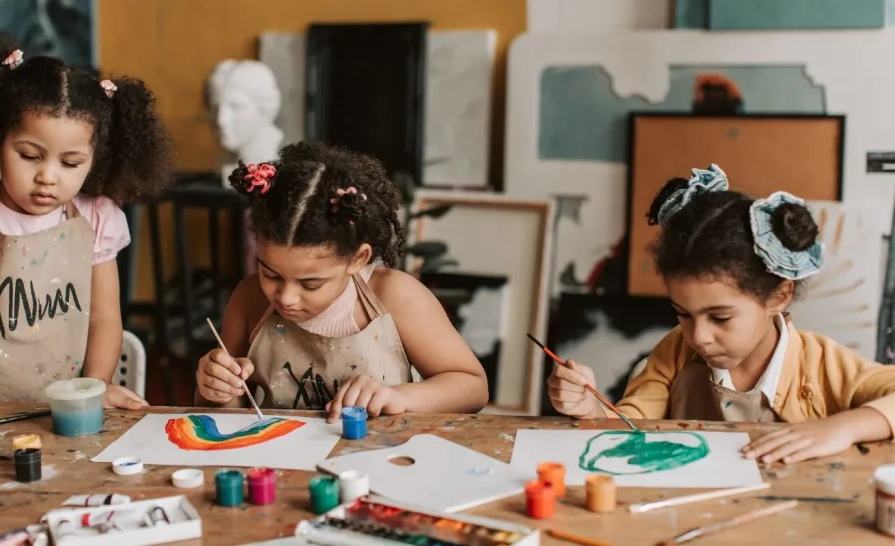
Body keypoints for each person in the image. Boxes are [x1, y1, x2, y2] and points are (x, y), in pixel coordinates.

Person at [0, 35, 174, 407]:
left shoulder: (96, 221)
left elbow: (104, 319)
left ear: (94, 158)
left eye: (70, 163)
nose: (48, 177)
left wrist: (95, 387)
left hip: (63, 416)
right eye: (29, 155)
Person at [547, 164, 895, 464]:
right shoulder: (674, 352)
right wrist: (589, 407)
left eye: (720, 318)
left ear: (779, 294)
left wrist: (841, 427)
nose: (698, 336)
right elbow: (631, 422)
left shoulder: (821, 363)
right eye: (683, 314)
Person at [194, 141, 489, 421]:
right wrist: (217, 389)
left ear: (357, 259)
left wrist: (400, 397)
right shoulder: (249, 299)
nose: (286, 298)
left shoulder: (395, 296)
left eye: (310, 284)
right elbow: (227, 412)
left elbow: (473, 388)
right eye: (270, 274)